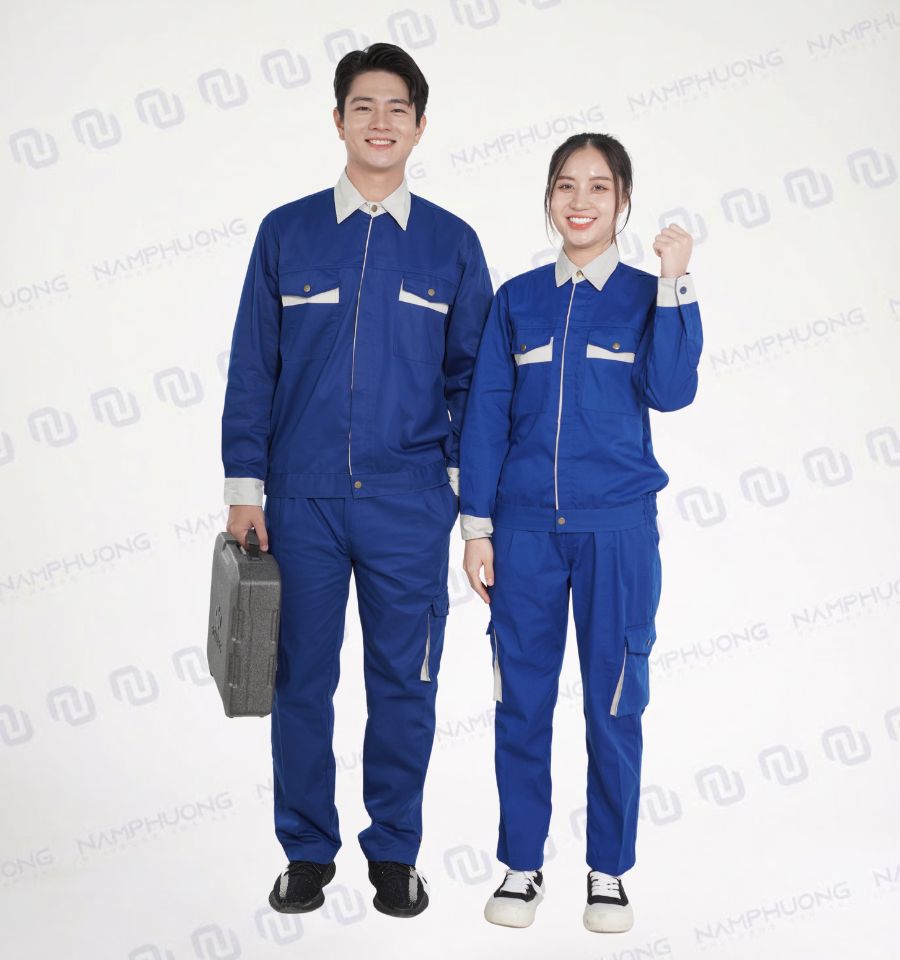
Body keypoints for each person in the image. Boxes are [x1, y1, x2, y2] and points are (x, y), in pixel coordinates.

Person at [220, 42, 493, 919]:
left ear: (420, 125)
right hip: (299, 501)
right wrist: (244, 488)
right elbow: (253, 366)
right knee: (300, 679)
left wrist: (475, 515)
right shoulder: (286, 233)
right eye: (364, 107)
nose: (381, 122)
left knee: (406, 682)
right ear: (337, 120)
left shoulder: (452, 245)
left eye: (397, 108)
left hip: (411, 502)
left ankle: (395, 853)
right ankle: (306, 852)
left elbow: (476, 385)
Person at [458, 132, 703, 933]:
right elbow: (486, 417)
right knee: (520, 701)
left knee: (614, 704)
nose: (581, 201)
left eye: (599, 187)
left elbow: (671, 390)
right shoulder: (518, 300)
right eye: (566, 185)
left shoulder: (645, 294)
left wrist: (676, 283)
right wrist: (477, 528)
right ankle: (520, 865)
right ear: (549, 198)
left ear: (623, 201)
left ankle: (608, 871)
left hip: (617, 530)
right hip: (524, 533)